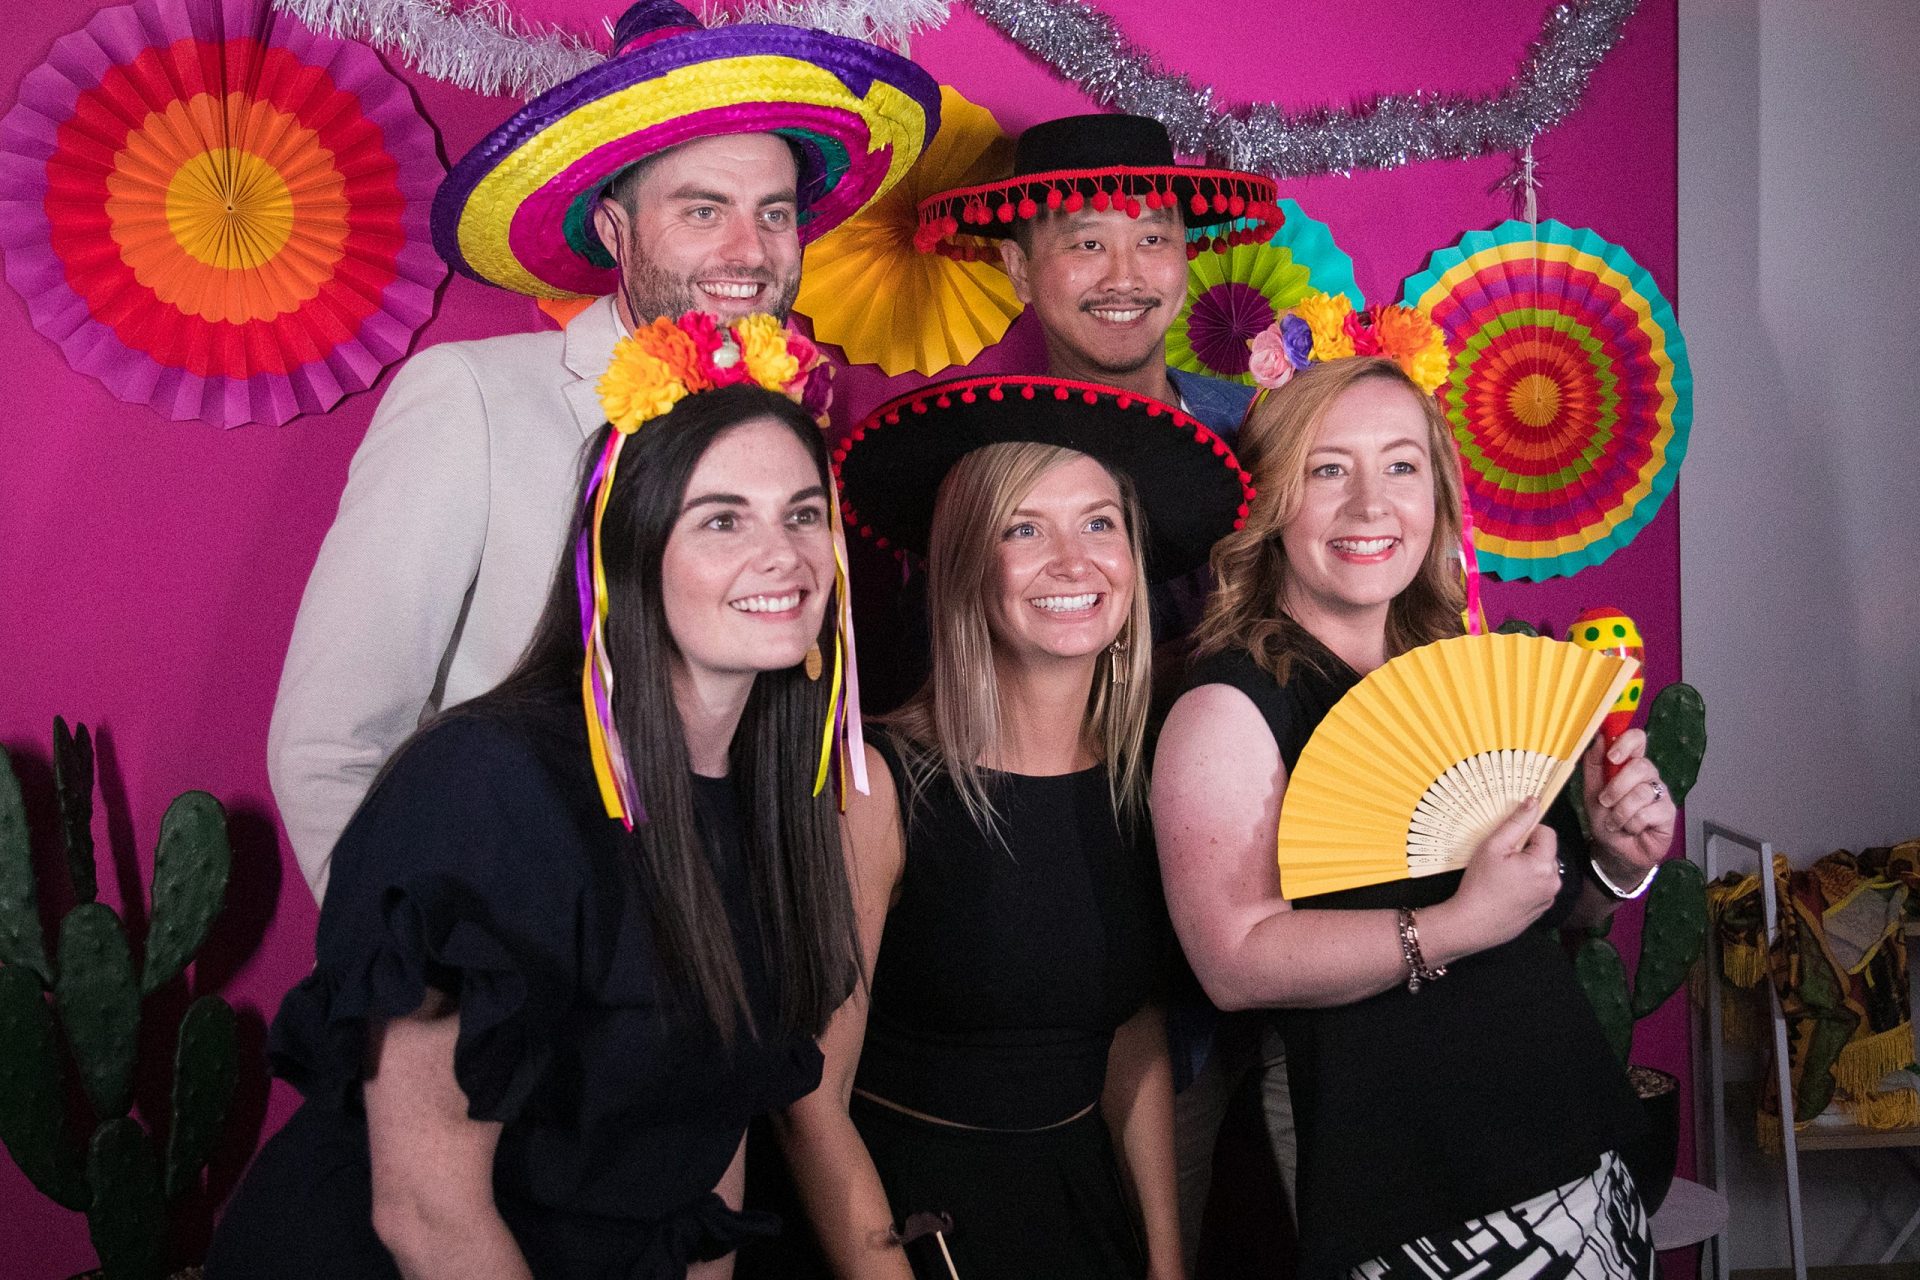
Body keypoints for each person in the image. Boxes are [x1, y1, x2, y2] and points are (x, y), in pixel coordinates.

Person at [209, 316, 866, 1279]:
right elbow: (426, 1213)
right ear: (627, 553)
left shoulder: (778, 798)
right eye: (722, 520)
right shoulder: (489, 787)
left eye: (803, 515)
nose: (784, 556)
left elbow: (705, 1140)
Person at [268, 0, 938, 899]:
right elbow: (330, 745)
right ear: (616, 232)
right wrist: (412, 964)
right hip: (522, 933)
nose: (749, 251)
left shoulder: (792, 432)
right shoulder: (474, 399)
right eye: (704, 210)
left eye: (774, 213)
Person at [1152, 298, 1677, 1280]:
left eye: (1401, 466)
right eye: (1327, 470)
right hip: (1414, 1187)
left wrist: (1616, 858)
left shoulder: (1450, 668)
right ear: (1271, 500)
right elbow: (1234, 960)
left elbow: (1554, 910)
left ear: (1439, 493)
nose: (1370, 506)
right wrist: (1454, 925)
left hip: (1572, 1143)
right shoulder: (1229, 704)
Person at [764, 375, 1253, 1279]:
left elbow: (1130, 1036)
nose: (1073, 562)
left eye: (1098, 523)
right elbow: (809, 1106)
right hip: (912, 1223)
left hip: (1080, 1213)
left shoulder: (1145, 779)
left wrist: (1165, 1260)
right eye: (1022, 529)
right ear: (962, 567)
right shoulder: (876, 785)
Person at [916, 112, 1291, 1265]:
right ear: (1016, 264)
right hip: (1103, 972)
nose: (1126, 273)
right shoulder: (972, 460)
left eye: (1154, 237)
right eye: (1086, 242)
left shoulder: (1265, 433)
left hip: (1300, 922)